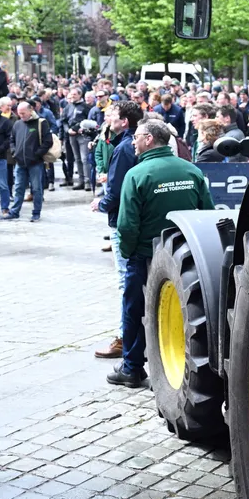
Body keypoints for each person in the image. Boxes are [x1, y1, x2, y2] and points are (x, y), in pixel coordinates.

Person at [107, 119, 214, 388]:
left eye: (137, 136)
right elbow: (208, 213)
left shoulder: (137, 174)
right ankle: (174, 367)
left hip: (144, 255)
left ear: (150, 139)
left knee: (134, 310)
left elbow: (127, 224)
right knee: (178, 313)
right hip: (183, 257)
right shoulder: (191, 170)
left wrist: (130, 253)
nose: (133, 141)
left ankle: (132, 368)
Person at [91, 101, 142, 359]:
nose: (108, 119)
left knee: (126, 282)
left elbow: (118, 188)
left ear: (125, 121)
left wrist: (101, 203)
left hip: (124, 220)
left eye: (113, 115)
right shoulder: (132, 143)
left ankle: (125, 338)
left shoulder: (124, 148)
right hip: (136, 218)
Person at [4, 102, 52, 222]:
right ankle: (15, 211)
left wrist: (37, 155)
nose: (21, 116)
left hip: (35, 162)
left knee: (36, 188)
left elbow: (48, 141)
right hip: (20, 162)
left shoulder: (41, 122)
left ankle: (36, 212)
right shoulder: (17, 124)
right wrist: (15, 152)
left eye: (23, 113)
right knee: (19, 188)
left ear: (31, 110)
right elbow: (12, 140)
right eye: (19, 113)